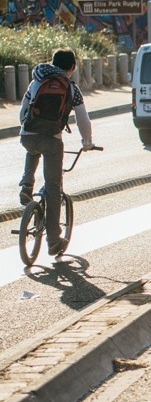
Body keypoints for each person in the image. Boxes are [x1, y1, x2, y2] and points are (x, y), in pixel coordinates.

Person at [18, 48, 96, 257]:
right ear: (72, 68)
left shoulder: (36, 81)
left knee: (33, 148)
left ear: (52, 62)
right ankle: (53, 240)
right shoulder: (71, 88)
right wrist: (87, 142)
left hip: (28, 135)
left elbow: (23, 110)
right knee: (53, 189)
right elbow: (82, 118)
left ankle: (26, 184)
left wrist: (27, 128)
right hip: (52, 139)